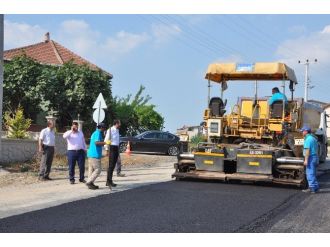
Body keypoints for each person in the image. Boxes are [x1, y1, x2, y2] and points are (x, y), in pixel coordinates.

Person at [86, 123, 107, 190]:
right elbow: (97, 143)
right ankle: (89, 182)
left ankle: (90, 183)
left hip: (91, 154)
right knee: (98, 169)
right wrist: (105, 143)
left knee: (91, 169)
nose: (104, 129)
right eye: (103, 128)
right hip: (95, 155)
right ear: (101, 128)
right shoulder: (98, 133)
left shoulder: (94, 133)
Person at [301, 126, 319, 193]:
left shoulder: (308, 139)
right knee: (313, 173)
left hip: (310, 158)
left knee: (310, 174)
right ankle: (315, 187)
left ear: (306, 131)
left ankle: (312, 188)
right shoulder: (313, 138)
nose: (302, 132)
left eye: (302, 131)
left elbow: (307, 150)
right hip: (315, 157)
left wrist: (306, 160)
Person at [104, 119, 121, 189]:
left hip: (116, 148)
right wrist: (107, 149)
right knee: (111, 166)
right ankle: (108, 181)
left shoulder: (117, 130)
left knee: (113, 165)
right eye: (119, 123)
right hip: (111, 148)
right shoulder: (110, 130)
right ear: (116, 123)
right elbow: (106, 140)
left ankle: (110, 180)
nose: (120, 124)